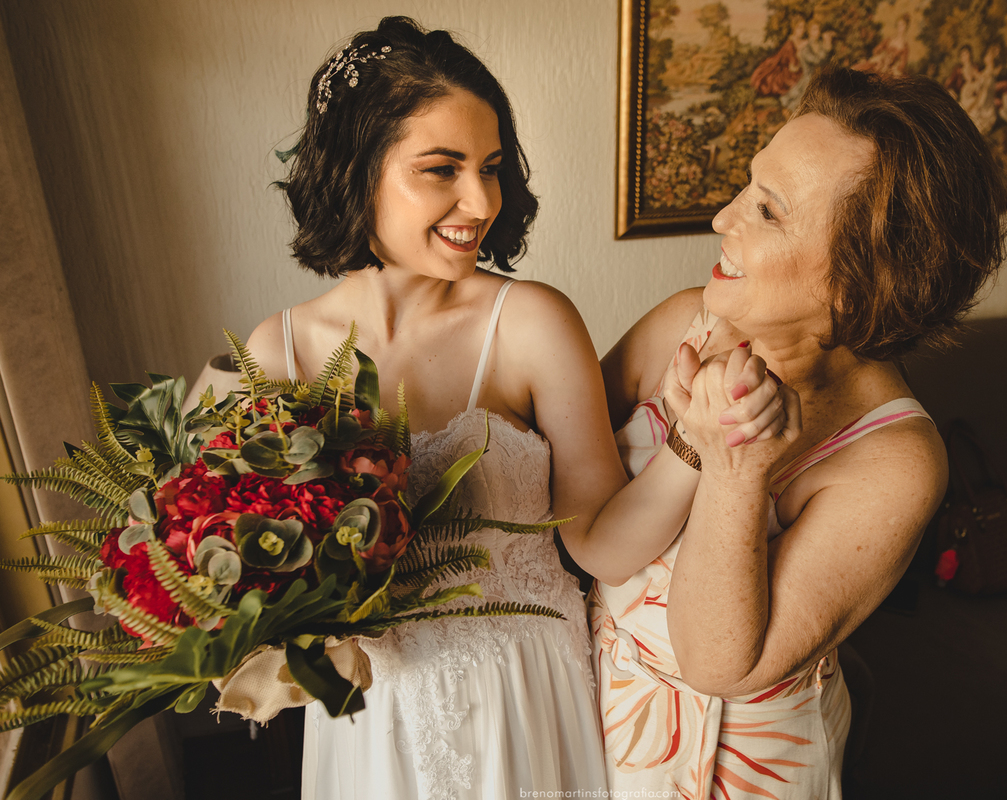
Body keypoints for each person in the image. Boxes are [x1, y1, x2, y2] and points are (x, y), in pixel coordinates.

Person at [245, 16, 783, 799]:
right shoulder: (276, 356)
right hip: (371, 723)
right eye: (442, 169)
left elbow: (598, 542)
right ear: (357, 171)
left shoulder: (531, 323)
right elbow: (211, 556)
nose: (481, 200)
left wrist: (697, 445)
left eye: (492, 167)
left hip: (527, 703)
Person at [589, 66, 1007, 799]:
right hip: (583, 713)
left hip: (732, 772)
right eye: (746, 186)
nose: (722, 217)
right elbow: (550, 464)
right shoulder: (687, 319)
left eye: (768, 211)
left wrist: (735, 467)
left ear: (857, 282)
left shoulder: (896, 463)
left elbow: (720, 663)